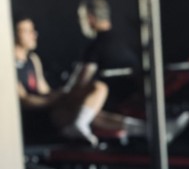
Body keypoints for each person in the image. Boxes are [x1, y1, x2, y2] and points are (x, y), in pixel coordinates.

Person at [13, 15, 120, 144]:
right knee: (78, 111)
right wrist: (55, 99)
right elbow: (24, 101)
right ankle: (79, 125)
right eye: (27, 31)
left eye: (33, 30)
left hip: (49, 107)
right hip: (35, 117)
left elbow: (44, 91)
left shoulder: (33, 59)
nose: (34, 34)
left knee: (98, 88)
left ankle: (136, 128)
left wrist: (63, 95)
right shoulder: (8, 65)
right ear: (13, 34)